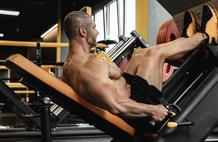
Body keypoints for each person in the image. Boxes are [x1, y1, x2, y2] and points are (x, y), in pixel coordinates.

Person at [62, 11, 209, 133]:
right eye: (94, 28)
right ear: (83, 31)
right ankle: (204, 35)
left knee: (139, 54)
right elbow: (116, 105)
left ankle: (186, 40)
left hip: (128, 92)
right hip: (137, 110)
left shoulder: (68, 68)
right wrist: (152, 110)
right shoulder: (89, 68)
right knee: (155, 53)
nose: (97, 32)